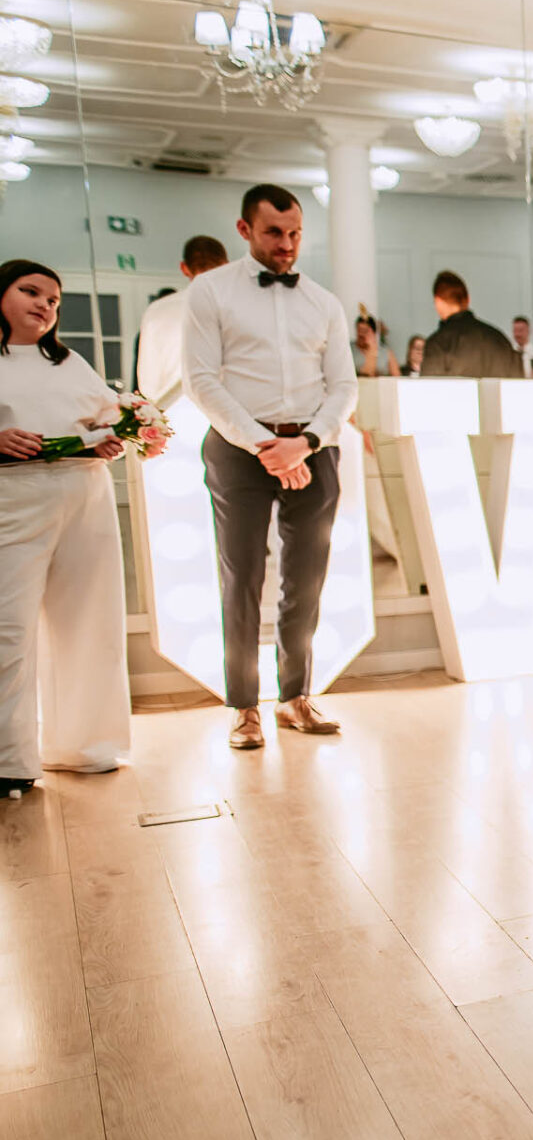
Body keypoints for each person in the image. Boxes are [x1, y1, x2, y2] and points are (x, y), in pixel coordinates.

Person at [183, 184, 357, 750]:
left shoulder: (324, 303)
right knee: (242, 579)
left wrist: (304, 443)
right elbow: (200, 380)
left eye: (295, 233)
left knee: (306, 578)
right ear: (245, 230)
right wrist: (265, 445)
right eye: (274, 233)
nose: (286, 244)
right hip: (239, 449)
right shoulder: (210, 291)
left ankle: (295, 696)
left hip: (312, 447)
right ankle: (243, 707)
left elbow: (344, 387)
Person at [0, 260, 147, 797]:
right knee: (9, 629)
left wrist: (110, 441)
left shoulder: (68, 362)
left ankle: (85, 745)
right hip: (11, 498)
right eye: (31, 292)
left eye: (54, 300)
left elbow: (107, 422)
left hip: (84, 495)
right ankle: (8, 760)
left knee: (88, 619)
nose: (45, 305)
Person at [135, 235, 228, 408]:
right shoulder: (239, 306)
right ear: (226, 265)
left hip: (172, 411)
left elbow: (148, 381)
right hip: (227, 411)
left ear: (184, 268)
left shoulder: (156, 310)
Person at [420, 271, 521, 378]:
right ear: (468, 299)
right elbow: (517, 383)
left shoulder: (438, 344)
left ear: (438, 302)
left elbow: (430, 386)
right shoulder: (499, 339)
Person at [354, 312, 400, 377]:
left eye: (364, 331)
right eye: (359, 330)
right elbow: (366, 375)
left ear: (374, 333)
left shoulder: (386, 352)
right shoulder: (349, 351)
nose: (361, 334)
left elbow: (397, 376)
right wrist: (372, 350)